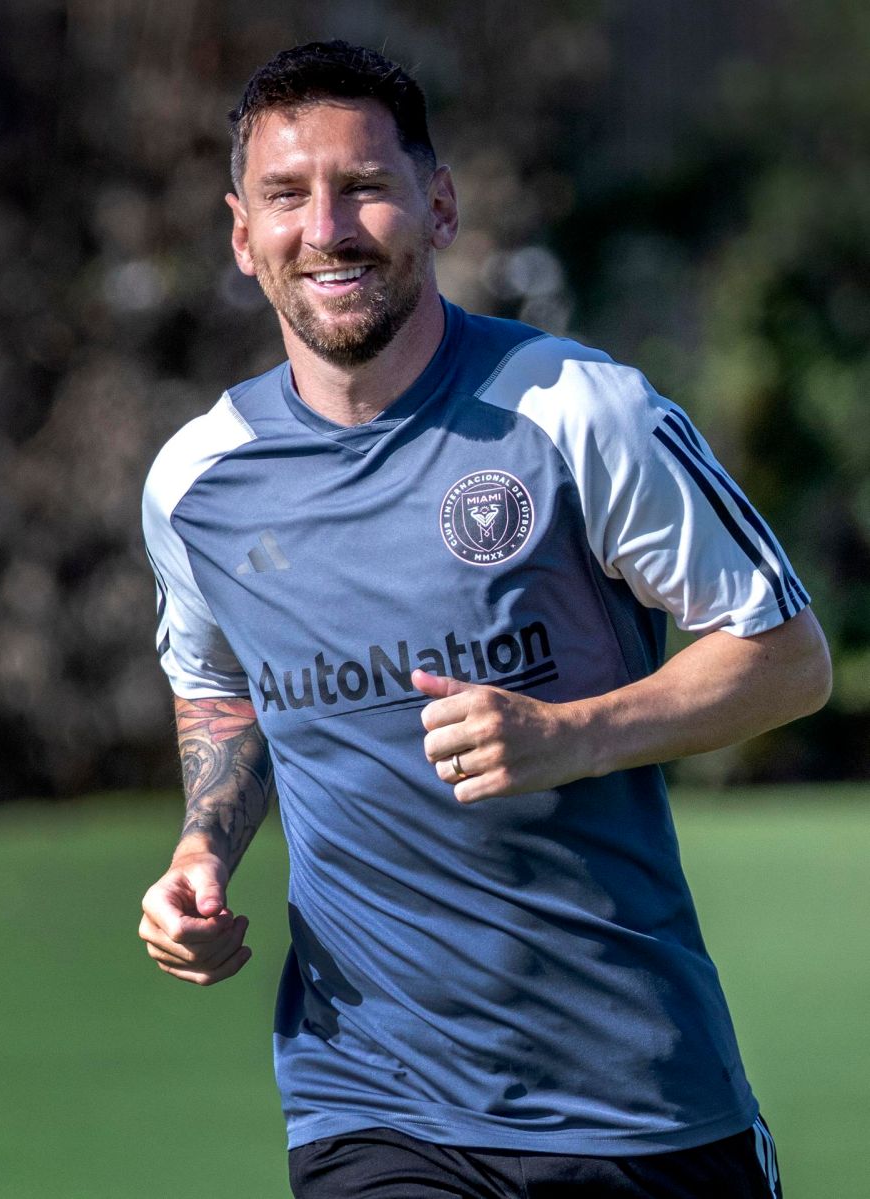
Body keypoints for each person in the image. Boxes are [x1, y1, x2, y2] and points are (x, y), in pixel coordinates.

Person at [139, 40, 830, 1199]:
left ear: (439, 203)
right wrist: (202, 850)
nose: (329, 228)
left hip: (637, 1103)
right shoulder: (195, 483)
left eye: (363, 185)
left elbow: (789, 655)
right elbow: (223, 687)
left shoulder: (578, 412)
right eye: (287, 196)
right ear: (240, 233)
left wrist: (575, 734)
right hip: (367, 1099)